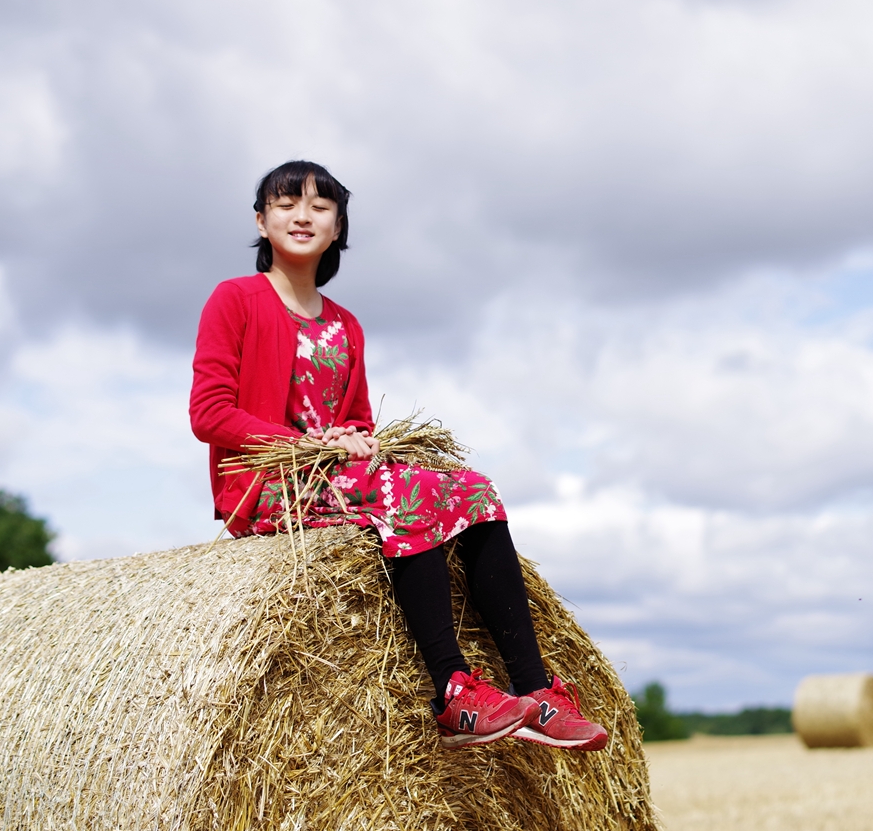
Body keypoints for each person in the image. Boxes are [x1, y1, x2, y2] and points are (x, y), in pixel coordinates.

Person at [190, 160, 608, 752]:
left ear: (338, 229)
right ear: (261, 222)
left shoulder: (345, 325)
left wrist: (357, 438)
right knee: (406, 493)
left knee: (474, 490)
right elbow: (208, 414)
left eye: (319, 205)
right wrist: (308, 446)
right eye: (286, 204)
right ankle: (453, 692)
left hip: (339, 481)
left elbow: (355, 416)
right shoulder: (235, 300)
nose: (302, 215)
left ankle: (536, 691)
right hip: (270, 491)